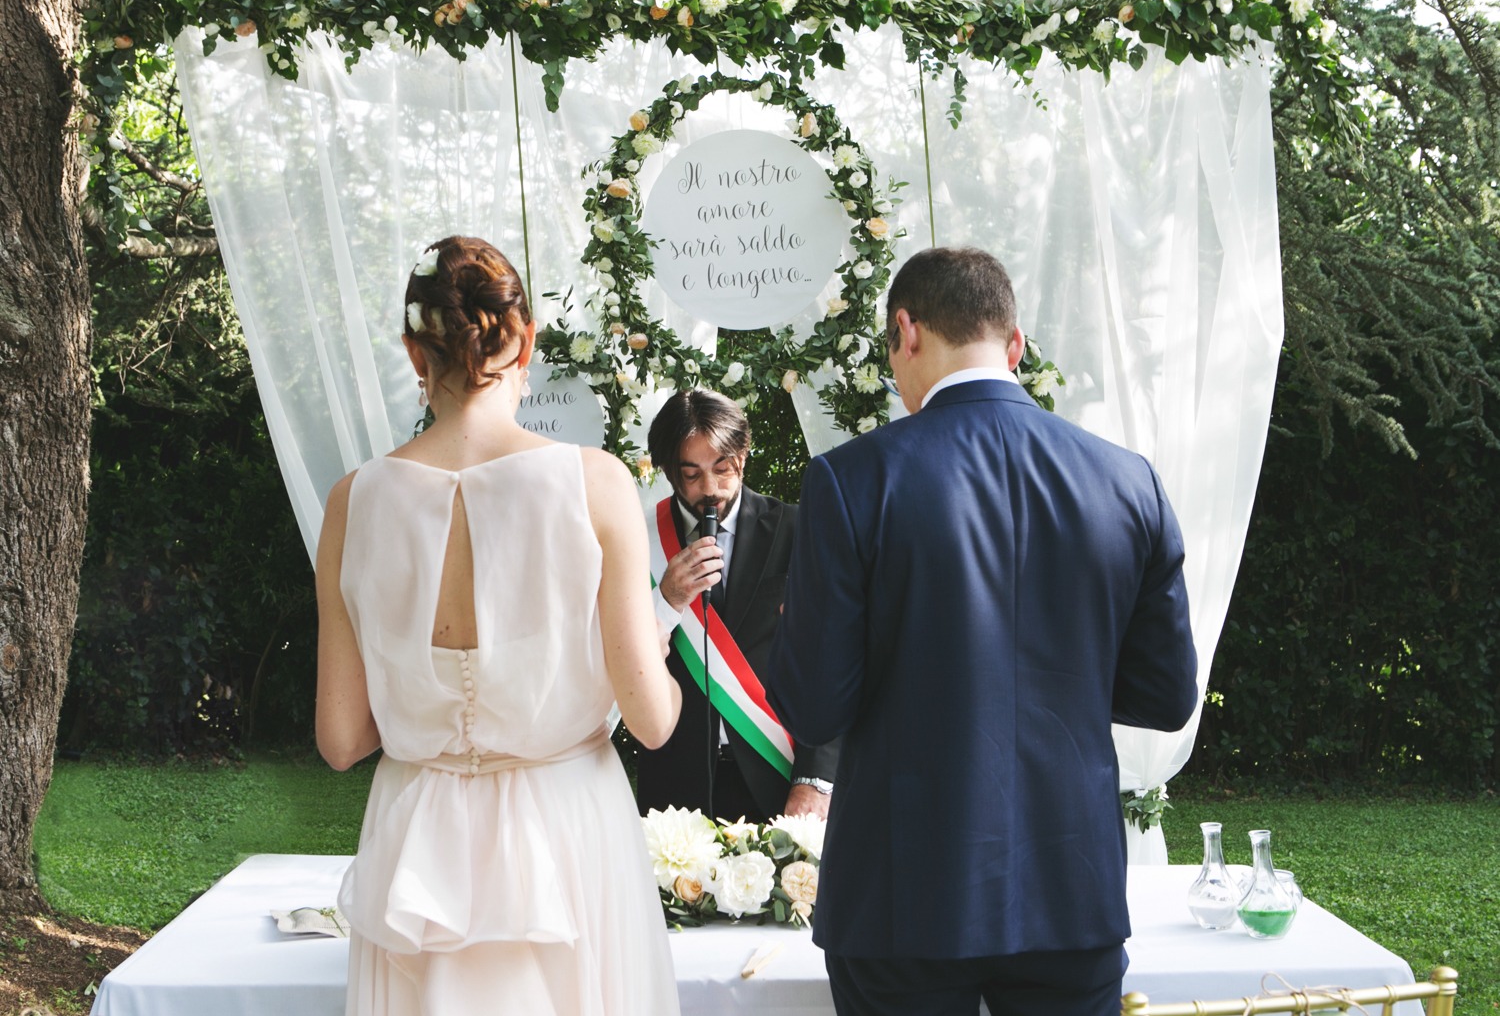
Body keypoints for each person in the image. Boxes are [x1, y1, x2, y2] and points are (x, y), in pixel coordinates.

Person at [764, 246, 1198, 1016]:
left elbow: (817, 708)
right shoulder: (1130, 481)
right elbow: (1166, 696)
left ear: (906, 330)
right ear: (1015, 345)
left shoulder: (852, 479)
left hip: (902, 898)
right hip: (1072, 891)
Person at [315, 236, 682, 1016]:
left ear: (417, 352)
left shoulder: (353, 502)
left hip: (417, 836)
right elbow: (652, 721)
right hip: (567, 828)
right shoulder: (594, 483)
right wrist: (649, 643)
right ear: (525, 340)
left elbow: (342, 739)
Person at [633, 389, 838, 824]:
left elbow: (832, 659)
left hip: (781, 774)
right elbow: (618, 660)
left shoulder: (797, 529)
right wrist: (667, 600)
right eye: (691, 474)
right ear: (669, 472)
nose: (710, 489)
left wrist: (817, 778)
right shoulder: (638, 540)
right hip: (675, 785)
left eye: (722, 468)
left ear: (742, 456)